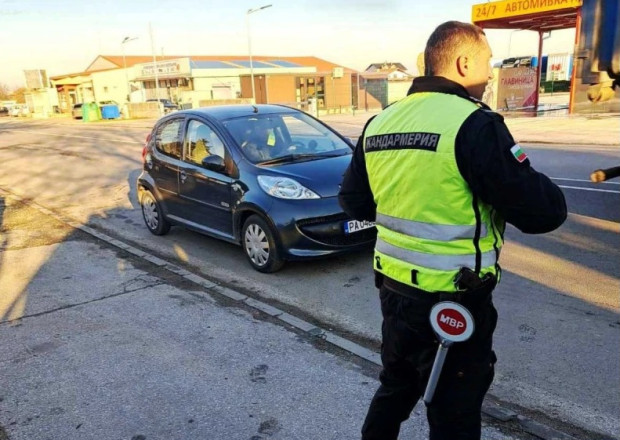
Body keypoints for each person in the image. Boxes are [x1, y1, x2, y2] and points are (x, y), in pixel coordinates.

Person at [338, 21, 567, 440]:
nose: (490, 73)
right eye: (487, 63)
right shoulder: (475, 124)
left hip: (394, 295)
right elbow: (544, 214)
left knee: (395, 386)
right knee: (453, 413)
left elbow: (353, 202)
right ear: (463, 63)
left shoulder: (380, 123)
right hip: (455, 302)